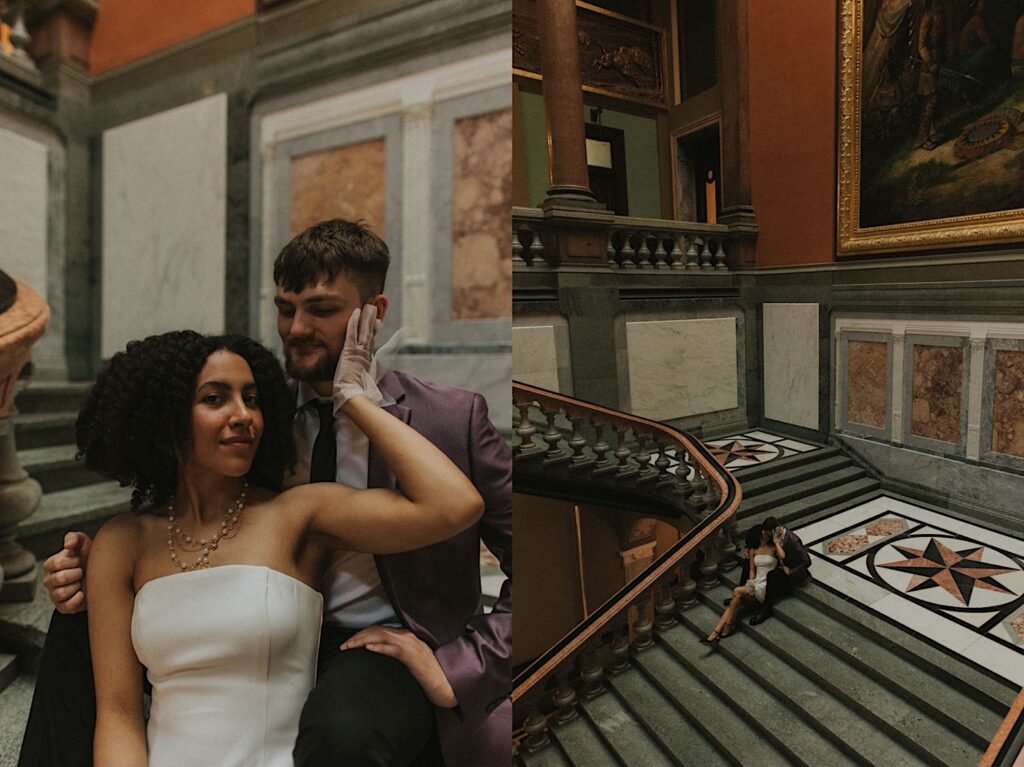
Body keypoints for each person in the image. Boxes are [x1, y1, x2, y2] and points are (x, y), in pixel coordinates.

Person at [25, 220, 513, 767]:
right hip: (252, 615)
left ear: (373, 313)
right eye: (285, 308)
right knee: (75, 626)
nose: (296, 327)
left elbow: (496, 537)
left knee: (344, 733)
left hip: (374, 642)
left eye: (321, 309)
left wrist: (462, 665)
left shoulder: (450, 417)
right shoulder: (260, 408)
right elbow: (190, 504)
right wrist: (100, 570)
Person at [704, 526, 777, 643]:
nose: (765, 534)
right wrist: (751, 584)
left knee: (737, 592)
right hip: (757, 582)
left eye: (766, 532)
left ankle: (727, 627)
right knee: (735, 600)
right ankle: (716, 632)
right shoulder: (753, 550)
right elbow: (752, 571)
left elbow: (783, 557)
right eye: (762, 532)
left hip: (767, 585)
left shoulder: (774, 548)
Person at [747, 515, 812, 626]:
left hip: (792, 572)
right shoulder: (775, 536)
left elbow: (807, 561)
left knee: (772, 575)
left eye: (768, 533)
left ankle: (766, 609)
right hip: (781, 566)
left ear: (774, 530)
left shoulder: (793, 540)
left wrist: (790, 571)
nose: (766, 536)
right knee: (748, 562)